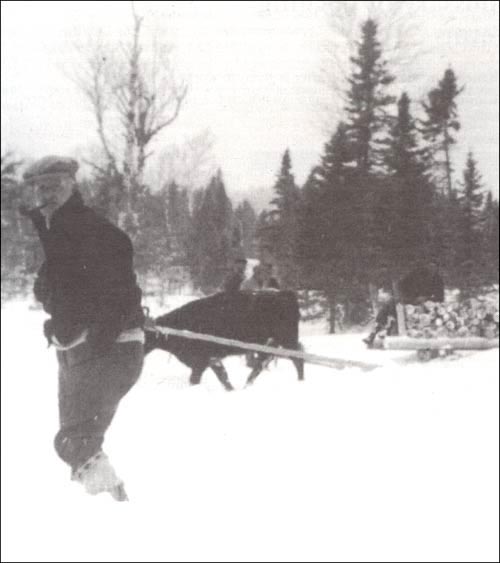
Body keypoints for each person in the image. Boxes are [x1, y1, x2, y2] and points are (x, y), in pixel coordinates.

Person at [21, 156, 145, 501]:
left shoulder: (94, 231)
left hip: (110, 349)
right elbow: (57, 288)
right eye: (41, 188)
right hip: (75, 348)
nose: (47, 194)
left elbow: (122, 289)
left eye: (56, 186)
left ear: (72, 186)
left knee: (77, 442)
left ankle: (124, 514)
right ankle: (113, 504)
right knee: (73, 444)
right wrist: (59, 315)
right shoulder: (58, 231)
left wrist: (100, 331)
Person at [363, 261, 445, 347]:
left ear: (437, 269)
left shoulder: (438, 280)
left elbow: (440, 297)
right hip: (410, 301)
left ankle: (386, 331)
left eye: (434, 268)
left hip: (427, 305)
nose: (431, 270)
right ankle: (374, 333)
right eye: (429, 267)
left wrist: (426, 298)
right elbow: (403, 288)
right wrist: (408, 298)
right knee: (389, 305)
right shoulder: (415, 276)